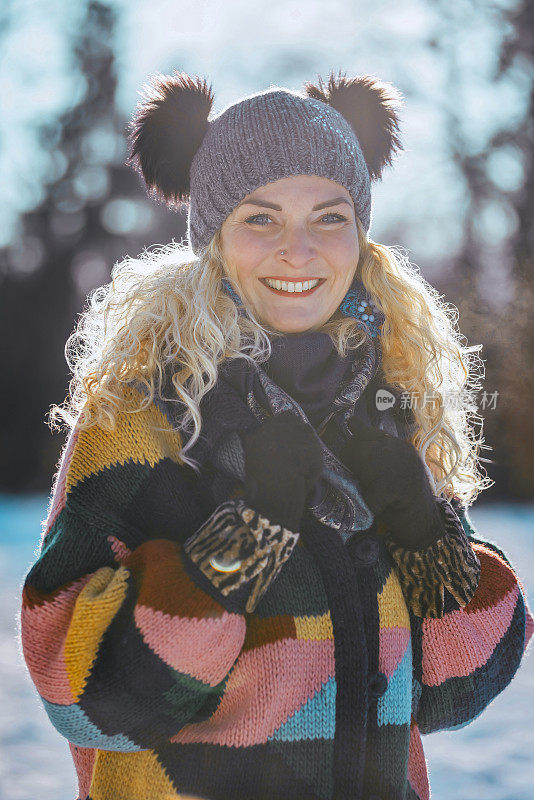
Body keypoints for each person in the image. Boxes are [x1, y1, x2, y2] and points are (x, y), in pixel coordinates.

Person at [20, 70, 533, 800]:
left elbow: (459, 692)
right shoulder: (144, 413)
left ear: (360, 234)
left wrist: (428, 536)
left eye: (329, 217)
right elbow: (78, 697)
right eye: (260, 218)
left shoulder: (384, 404)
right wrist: (239, 548)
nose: (299, 251)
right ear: (213, 238)